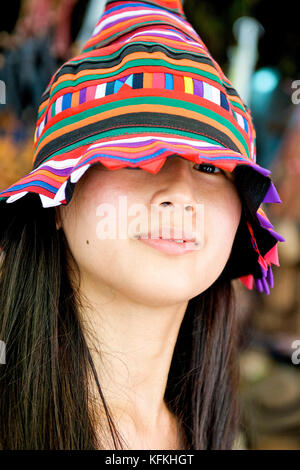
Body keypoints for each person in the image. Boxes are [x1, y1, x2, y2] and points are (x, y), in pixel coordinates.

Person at [0, 0, 283, 450]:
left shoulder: (221, 435)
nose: (180, 193)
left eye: (210, 168)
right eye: (135, 159)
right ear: (57, 201)